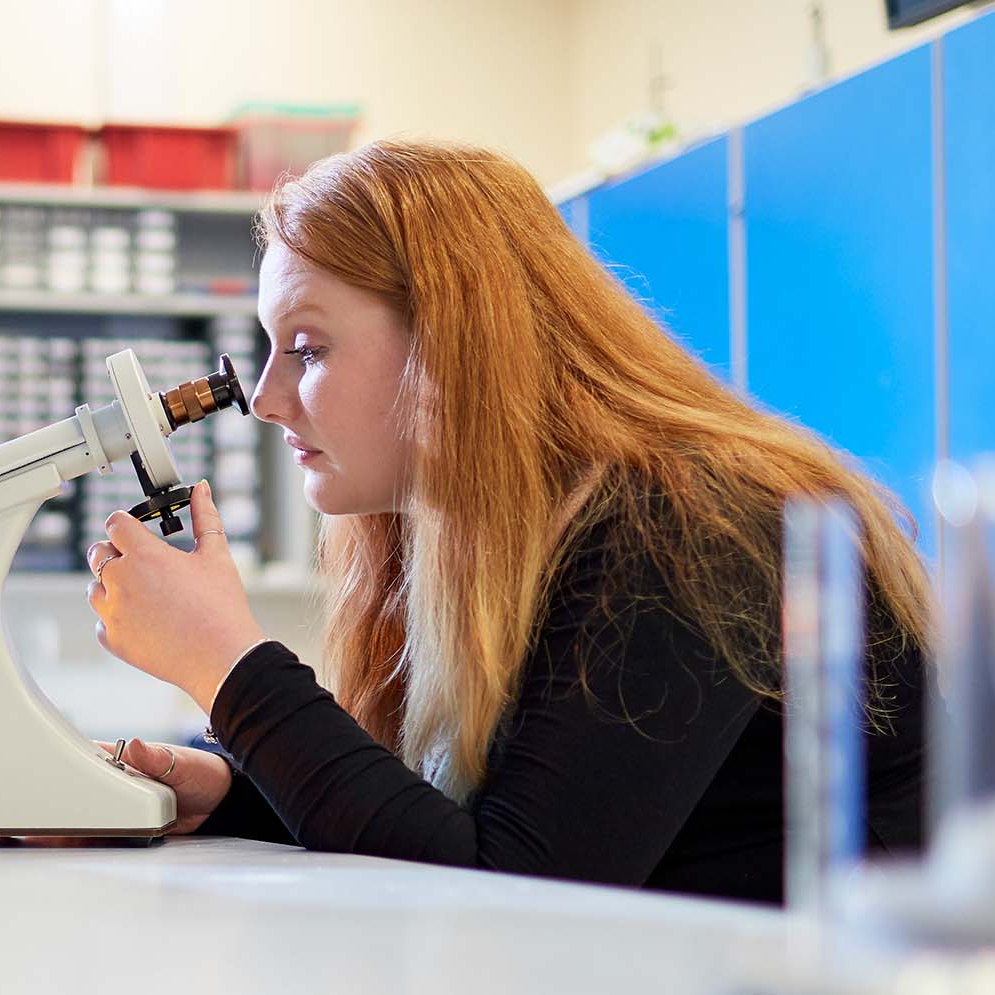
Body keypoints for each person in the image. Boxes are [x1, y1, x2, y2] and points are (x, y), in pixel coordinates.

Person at [84, 138, 930, 904]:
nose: (264, 401)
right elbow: (430, 815)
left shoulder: (690, 521)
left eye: (307, 348)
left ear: (451, 343)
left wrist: (230, 667)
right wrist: (230, 788)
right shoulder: (466, 535)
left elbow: (514, 890)